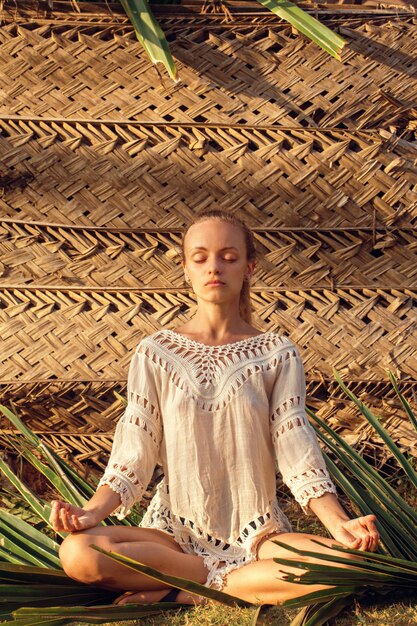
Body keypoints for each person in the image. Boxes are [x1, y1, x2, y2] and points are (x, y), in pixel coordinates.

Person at [50, 210, 379, 607]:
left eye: (229, 256)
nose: (214, 267)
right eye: (200, 257)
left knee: (350, 566)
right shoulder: (156, 352)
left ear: (249, 267)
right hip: (172, 537)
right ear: (186, 269)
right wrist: (89, 515)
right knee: (77, 553)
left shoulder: (276, 354)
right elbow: (133, 452)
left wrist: (339, 525)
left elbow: (297, 451)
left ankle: (178, 590)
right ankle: (220, 581)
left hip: (261, 537)